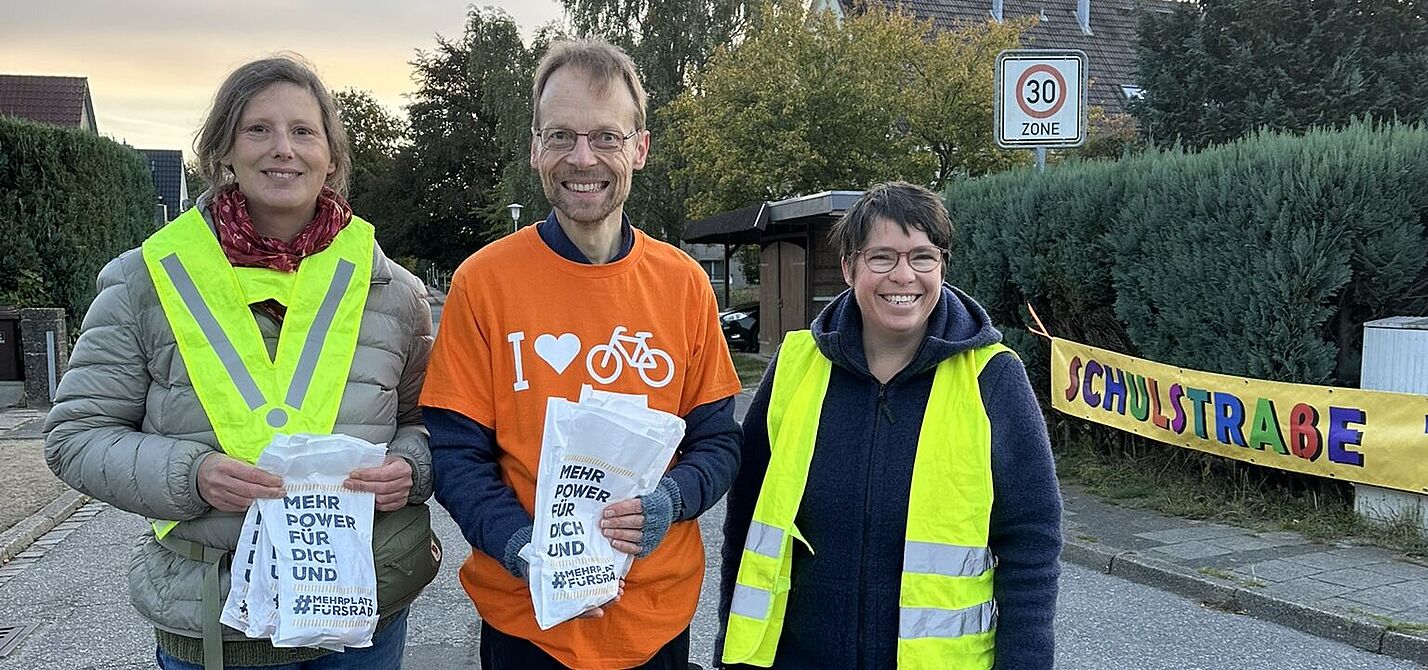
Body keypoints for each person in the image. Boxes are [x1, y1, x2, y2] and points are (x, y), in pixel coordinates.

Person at [44, 55, 436, 670]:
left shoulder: (394, 293)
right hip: (214, 620)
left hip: (360, 613)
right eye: (259, 129)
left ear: (331, 158)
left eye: (304, 131)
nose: (283, 149)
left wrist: (409, 468)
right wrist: (191, 475)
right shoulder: (145, 281)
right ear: (223, 148)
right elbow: (74, 437)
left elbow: (429, 423)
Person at [420, 38, 742, 670]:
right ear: (537, 148)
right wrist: (522, 548)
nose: (583, 158)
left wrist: (669, 504)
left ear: (639, 148)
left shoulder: (682, 284)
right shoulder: (484, 283)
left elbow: (718, 442)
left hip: (655, 619)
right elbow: (457, 455)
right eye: (561, 136)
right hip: (527, 621)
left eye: (606, 137)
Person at [718, 182, 1062, 669]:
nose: (904, 276)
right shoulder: (794, 367)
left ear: (942, 265)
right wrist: (729, 651)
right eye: (882, 258)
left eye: (922, 257)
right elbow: (746, 526)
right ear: (849, 268)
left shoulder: (993, 377)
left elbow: (1031, 543)